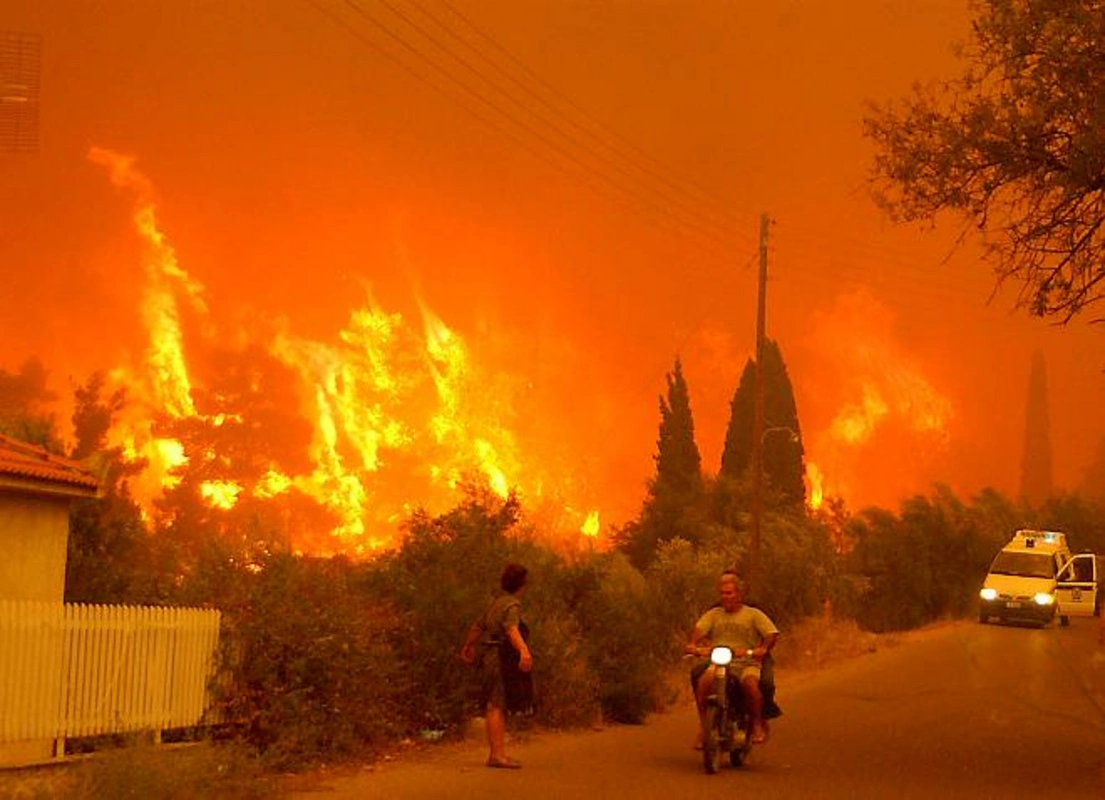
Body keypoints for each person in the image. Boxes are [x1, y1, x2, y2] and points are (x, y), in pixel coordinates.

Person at [685, 570, 779, 746]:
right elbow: (700, 629)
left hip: (746, 662)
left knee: (750, 684)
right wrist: (693, 644)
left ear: (738, 594)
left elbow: (771, 633)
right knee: (704, 681)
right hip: (719, 660)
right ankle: (704, 727)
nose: (725, 597)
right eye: (722, 593)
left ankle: (757, 724)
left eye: (729, 593)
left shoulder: (753, 614)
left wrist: (762, 648)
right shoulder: (714, 614)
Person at [459, 562, 534, 769]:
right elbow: (511, 629)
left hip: (488, 656)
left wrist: (468, 646)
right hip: (500, 657)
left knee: (493, 704)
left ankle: (496, 753)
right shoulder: (512, 605)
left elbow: (477, 625)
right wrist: (524, 651)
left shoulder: (496, 603)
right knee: (497, 705)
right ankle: (497, 755)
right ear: (522, 585)